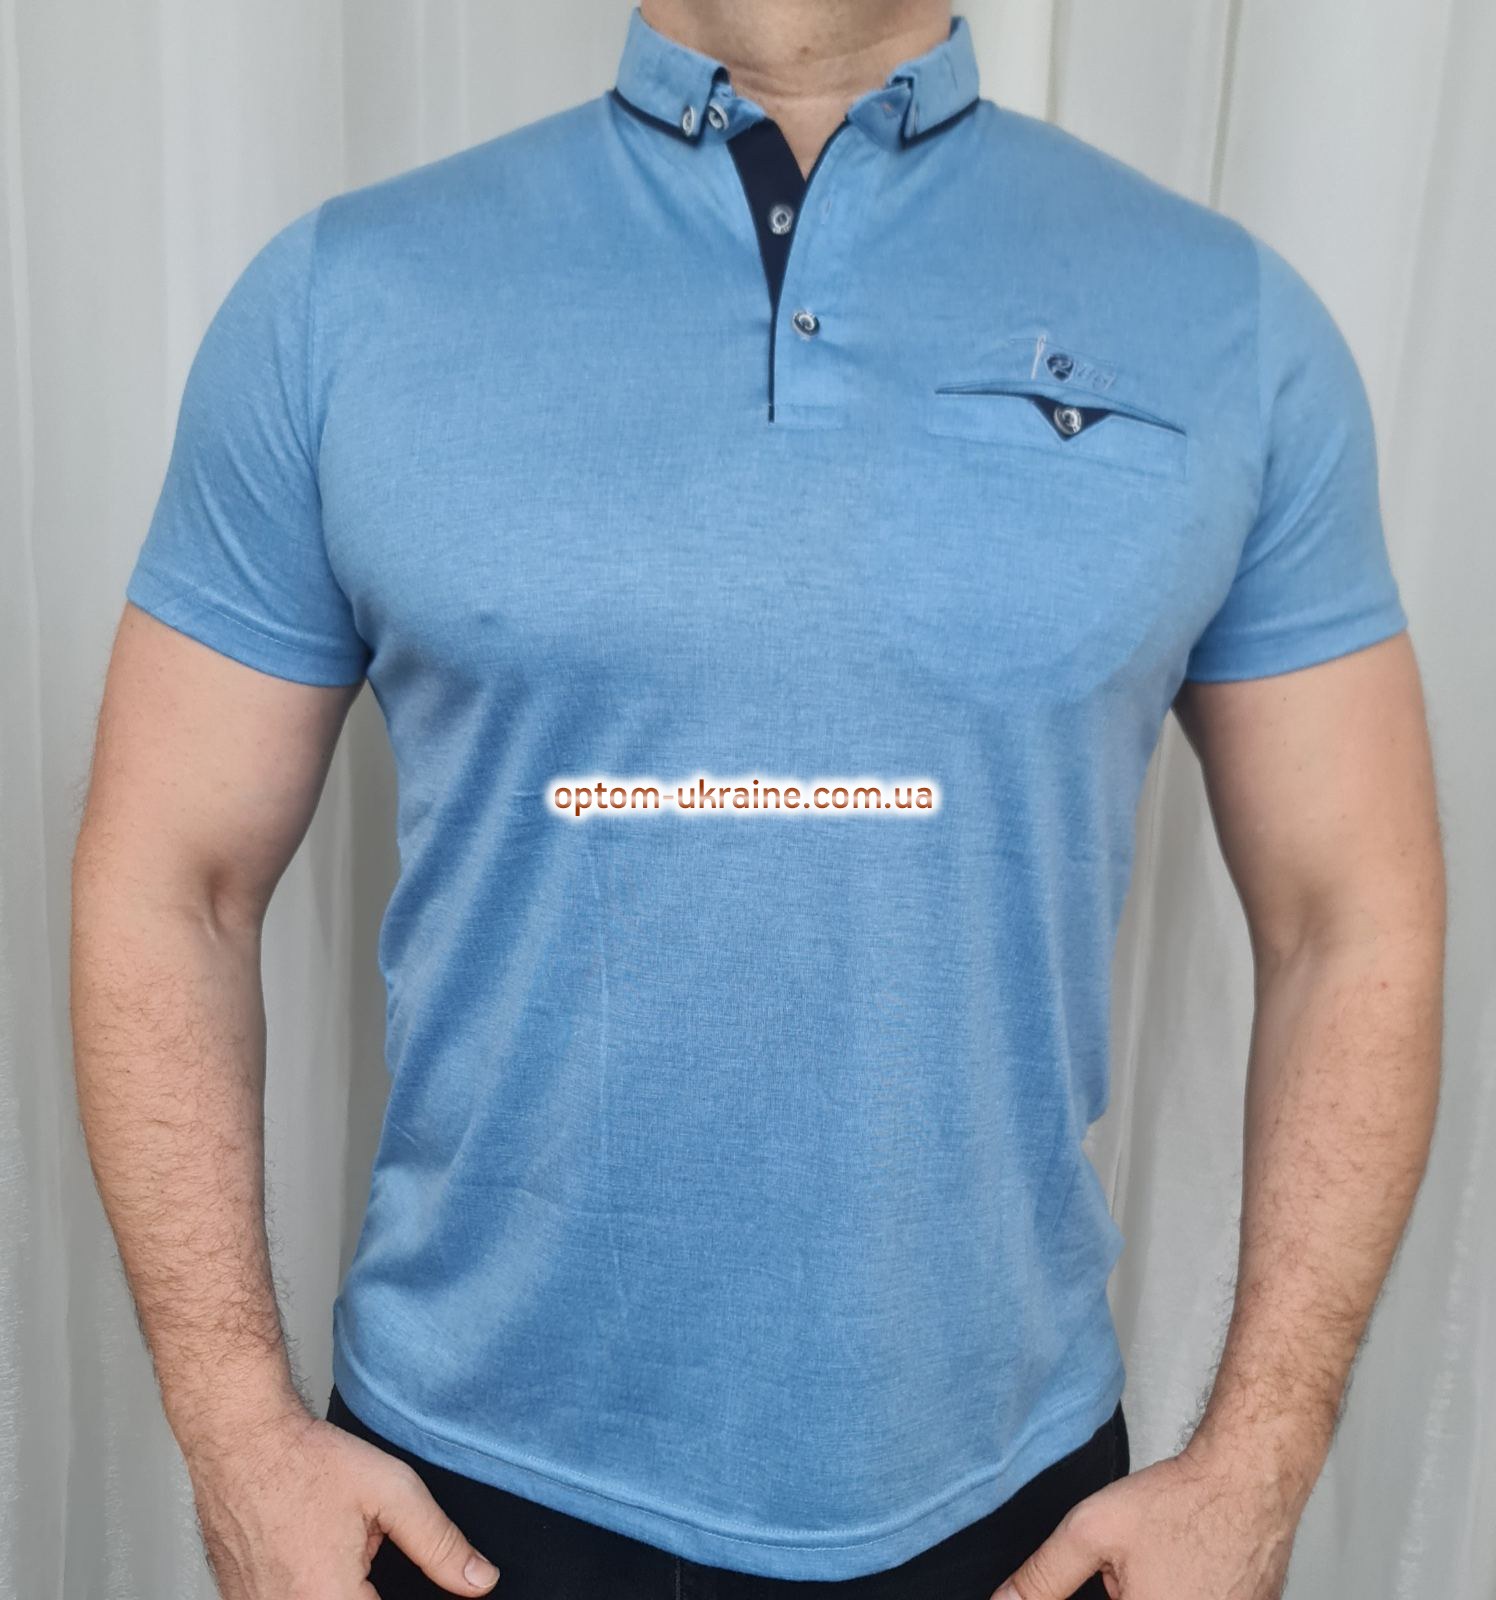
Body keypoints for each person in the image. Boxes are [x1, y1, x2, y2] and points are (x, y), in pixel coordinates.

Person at [69, 2, 1445, 1597]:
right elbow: (169, 879)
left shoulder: (1231, 321)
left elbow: (1355, 920)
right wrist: (235, 1431)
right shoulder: (341, 300)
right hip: (466, 1502)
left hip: (1011, 1515)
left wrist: (1256, 1472)